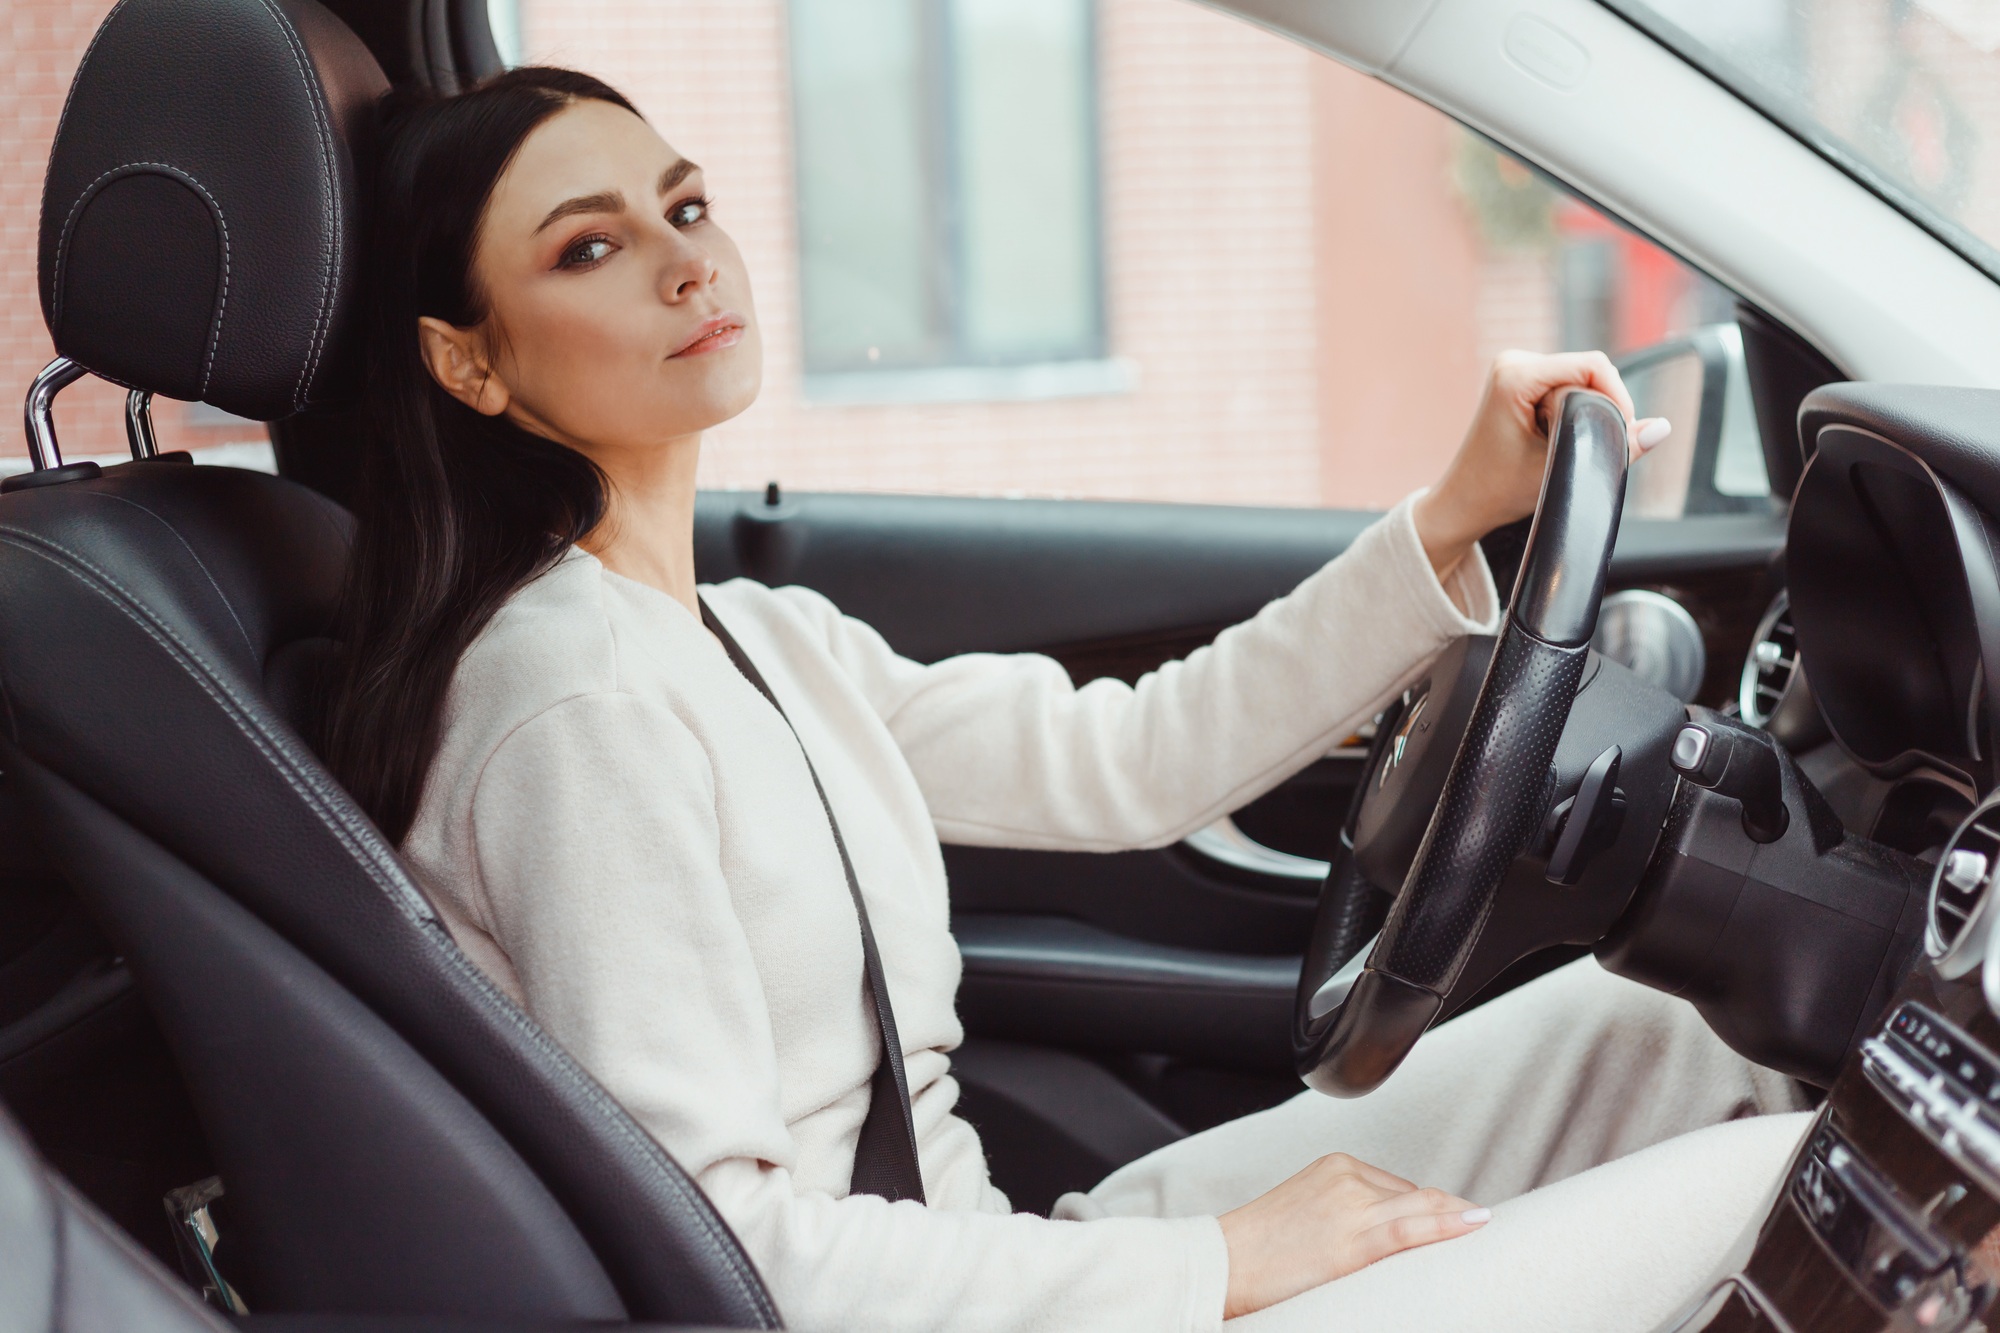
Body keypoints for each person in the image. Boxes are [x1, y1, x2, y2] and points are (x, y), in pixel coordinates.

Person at [321, 68, 1811, 1331]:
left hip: (1014, 1260)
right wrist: (1224, 1263)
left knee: (1695, 1027)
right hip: (973, 1302)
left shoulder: (756, 638)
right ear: (469, 364)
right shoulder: (563, 704)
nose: (684, 261)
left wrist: (1446, 518)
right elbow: (734, 1256)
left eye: (686, 206)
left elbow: (1130, 758)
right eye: (589, 249)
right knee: (1808, 1176)